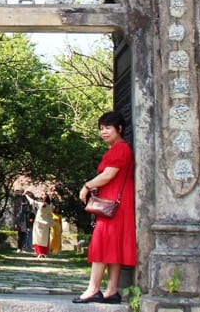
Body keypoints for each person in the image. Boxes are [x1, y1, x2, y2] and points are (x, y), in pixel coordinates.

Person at [74, 110, 136, 304]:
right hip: (119, 203)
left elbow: (108, 175)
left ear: (119, 128)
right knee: (113, 246)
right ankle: (111, 290)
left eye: (108, 127)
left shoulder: (120, 149)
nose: (104, 132)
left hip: (112, 203)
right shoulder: (119, 149)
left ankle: (93, 289)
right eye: (101, 128)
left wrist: (87, 185)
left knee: (101, 244)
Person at [26, 192, 54, 258]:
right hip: (45, 224)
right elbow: (50, 214)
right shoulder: (50, 206)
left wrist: (26, 195)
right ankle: (43, 253)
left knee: (38, 238)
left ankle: (38, 252)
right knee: (44, 239)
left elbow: (31, 201)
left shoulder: (40, 204)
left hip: (38, 223)